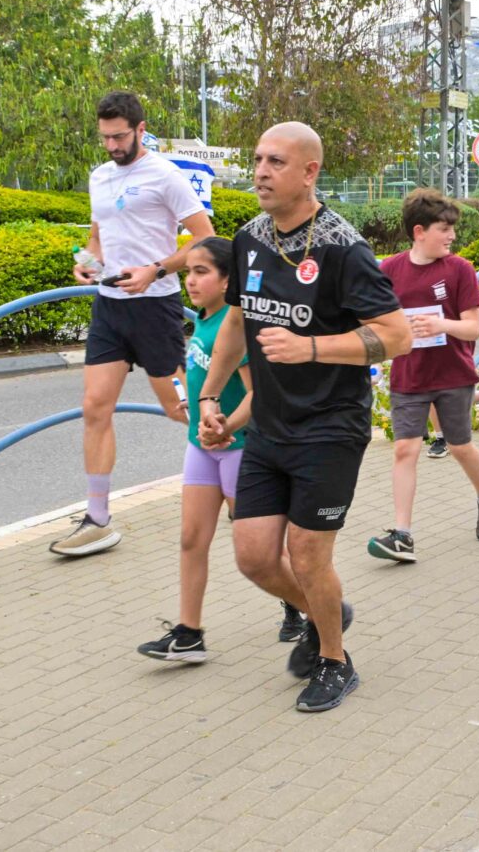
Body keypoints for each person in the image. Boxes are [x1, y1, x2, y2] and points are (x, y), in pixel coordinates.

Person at [197, 121, 412, 713]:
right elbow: (237, 321)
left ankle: (336, 662)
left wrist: (310, 347)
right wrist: (212, 399)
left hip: (330, 427)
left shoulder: (344, 248)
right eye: (257, 160)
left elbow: (396, 337)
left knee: (309, 555)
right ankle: (327, 611)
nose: (260, 172)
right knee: (253, 557)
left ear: (310, 172)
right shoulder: (248, 238)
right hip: (268, 425)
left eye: (276, 162)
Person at [55, 91, 216, 557]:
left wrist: (155, 271)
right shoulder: (100, 176)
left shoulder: (165, 176)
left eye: (120, 136)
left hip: (155, 307)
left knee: (181, 409)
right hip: (109, 308)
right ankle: (98, 519)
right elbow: (97, 239)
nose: (112, 145)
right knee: (94, 407)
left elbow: (205, 239)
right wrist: (86, 263)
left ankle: (242, 475)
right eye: (105, 137)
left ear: (141, 129)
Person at [136, 237, 270, 662]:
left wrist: (227, 426)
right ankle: (189, 633)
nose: (190, 281)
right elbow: (205, 380)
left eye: (201, 272)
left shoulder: (234, 325)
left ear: (228, 280)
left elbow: (258, 394)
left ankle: (302, 607)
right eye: (188, 273)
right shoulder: (204, 319)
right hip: (201, 446)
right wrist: (193, 405)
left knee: (259, 551)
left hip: (239, 448)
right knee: (192, 539)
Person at [370, 190, 479, 563]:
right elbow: (377, 321)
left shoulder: (459, 270)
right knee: (405, 449)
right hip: (409, 375)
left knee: (459, 447)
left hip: (453, 374)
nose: (452, 236)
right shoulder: (390, 270)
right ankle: (402, 535)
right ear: (419, 231)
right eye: (444, 229)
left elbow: (473, 328)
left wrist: (441, 324)